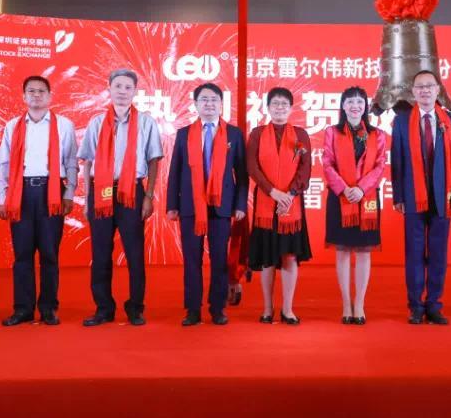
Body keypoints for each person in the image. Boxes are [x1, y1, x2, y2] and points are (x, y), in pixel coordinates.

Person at [77, 68, 163, 327]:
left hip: (132, 192)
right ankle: (104, 308)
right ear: (109, 89)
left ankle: (135, 307)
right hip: (101, 192)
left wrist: (149, 195)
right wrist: (87, 198)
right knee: (101, 252)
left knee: (135, 253)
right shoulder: (96, 123)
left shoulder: (146, 122)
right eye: (118, 86)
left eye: (128, 87)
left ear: (134, 91)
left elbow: (153, 160)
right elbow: (87, 162)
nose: (122, 91)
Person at [0, 75, 78, 326]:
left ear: (50, 96)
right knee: (22, 254)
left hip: (51, 192)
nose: (36, 95)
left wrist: (69, 193)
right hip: (20, 193)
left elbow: (71, 161)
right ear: (23, 96)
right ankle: (22, 309)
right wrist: (3, 197)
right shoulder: (13, 126)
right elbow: (4, 164)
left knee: (49, 254)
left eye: (41, 91)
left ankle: (49, 308)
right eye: (31, 91)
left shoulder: (64, 125)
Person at [166, 82, 248, 326]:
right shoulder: (184, 134)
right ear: (196, 104)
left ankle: (217, 308)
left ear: (221, 104)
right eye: (204, 100)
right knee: (192, 260)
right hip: (191, 206)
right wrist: (172, 204)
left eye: (214, 100)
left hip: (222, 205)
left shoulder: (234, 134)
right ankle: (192, 310)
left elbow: (242, 174)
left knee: (220, 259)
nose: (209, 104)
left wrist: (240, 205)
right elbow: (175, 171)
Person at [391, 70, 451, 325]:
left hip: (443, 196)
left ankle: (434, 304)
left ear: (437, 90)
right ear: (413, 92)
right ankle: (415, 306)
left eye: (429, 86)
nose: (424, 90)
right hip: (412, 196)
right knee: (413, 252)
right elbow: (397, 161)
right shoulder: (402, 121)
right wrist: (398, 195)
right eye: (419, 87)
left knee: (438, 253)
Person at [247, 88, 312, 325]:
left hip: (291, 203)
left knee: (289, 257)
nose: (280, 108)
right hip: (266, 202)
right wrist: (273, 192)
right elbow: (252, 166)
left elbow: (305, 168)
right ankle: (267, 308)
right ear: (268, 107)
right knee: (267, 258)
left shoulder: (301, 135)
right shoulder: (257, 134)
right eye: (275, 103)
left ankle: (287, 309)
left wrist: (290, 194)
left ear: (291, 108)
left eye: (284, 104)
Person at [322, 86, 387, 325]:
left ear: (365, 106)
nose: (355, 106)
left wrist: (361, 188)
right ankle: (346, 304)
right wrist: (344, 188)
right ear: (343, 106)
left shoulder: (377, 134)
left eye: (359, 102)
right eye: (350, 101)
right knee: (342, 252)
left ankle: (359, 303)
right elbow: (327, 163)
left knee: (363, 252)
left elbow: (380, 165)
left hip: (366, 198)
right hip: (340, 198)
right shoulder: (332, 132)